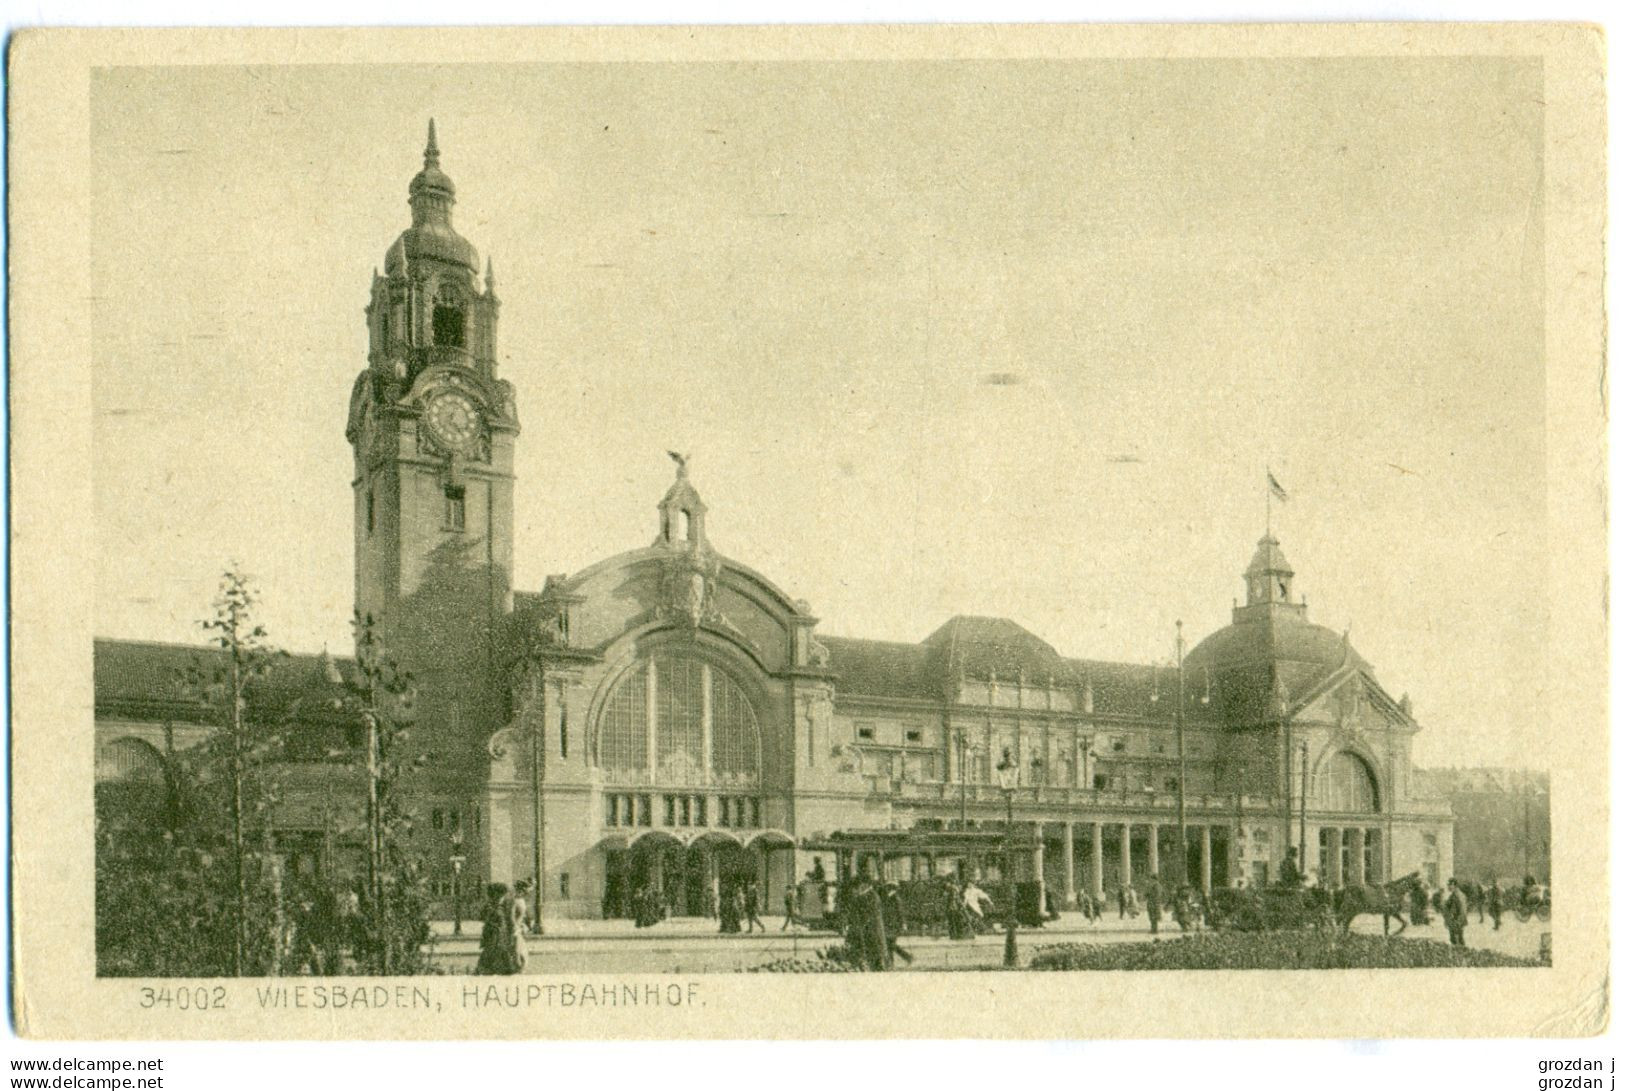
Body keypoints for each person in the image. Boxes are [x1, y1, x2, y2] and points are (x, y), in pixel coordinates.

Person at [476, 883, 518, 974]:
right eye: (501, 895)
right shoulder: (490, 906)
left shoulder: (502, 906)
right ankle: (486, 970)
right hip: (493, 932)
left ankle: (505, 970)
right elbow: (482, 918)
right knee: (491, 950)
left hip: (501, 932)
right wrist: (493, 924)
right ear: (496, 894)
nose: (503, 898)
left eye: (503, 895)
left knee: (502, 951)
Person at [879, 882, 914, 965]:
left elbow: (900, 912)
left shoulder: (896, 899)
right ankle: (905, 958)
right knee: (890, 944)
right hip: (889, 924)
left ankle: (899, 960)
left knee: (889, 944)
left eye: (888, 888)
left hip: (894, 925)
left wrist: (903, 923)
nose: (886, 889)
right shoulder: (888, 898)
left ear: (892, 889)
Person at [510, 879, 531, 971]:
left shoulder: (521, 900)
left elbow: (522, 915)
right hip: (515, 928)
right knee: (517, 949)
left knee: (520, 948)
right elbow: (512, 915)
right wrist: (515, 926)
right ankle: (518, 966)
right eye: (525, 890)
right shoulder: (515, 901)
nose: (527, 892)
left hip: (519, 927)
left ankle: (519, 966)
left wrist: (523, 925)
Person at [1442, 878, 1468, 947]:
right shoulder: (1454, 895)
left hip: (1456, 922)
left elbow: (1462, 910)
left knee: (1457, 941)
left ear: (1455, 885)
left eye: (1450, 885)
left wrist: (1458, 922)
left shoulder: (1458, 895)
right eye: (1448, 885)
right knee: (1455, 940)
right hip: (1454, 921)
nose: (1448, 887)